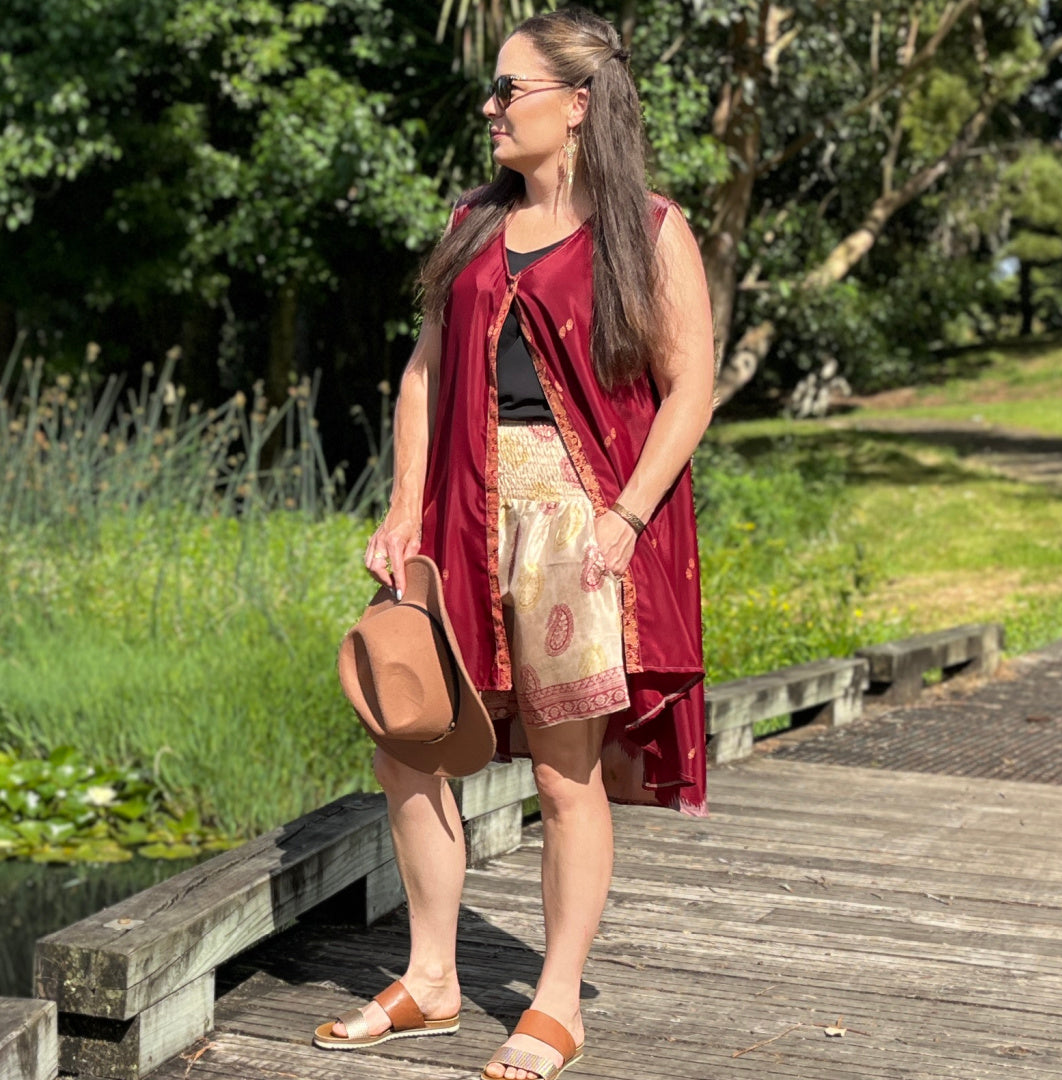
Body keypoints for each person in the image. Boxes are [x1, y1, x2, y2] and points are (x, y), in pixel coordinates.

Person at [314, 8, 714, 1079]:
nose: (490, 108)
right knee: (409, 734)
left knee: (562, 770)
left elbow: (689, 390)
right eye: (492, 90)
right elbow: (424, 372)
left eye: (509, 90)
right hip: (459, 511)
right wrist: (402, 508)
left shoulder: (648, 228)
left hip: (575, 522)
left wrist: (626, 517)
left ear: (577, 105)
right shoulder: (472, 224)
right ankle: (433, 978)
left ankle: (554, 1005)